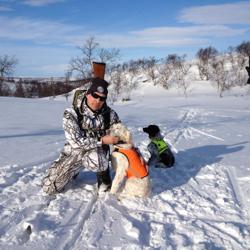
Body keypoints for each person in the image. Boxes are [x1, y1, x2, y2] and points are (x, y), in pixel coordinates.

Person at [42, 77, 120, 195]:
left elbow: (120, 135)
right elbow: (75, 142)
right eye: (95, 95)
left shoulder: (110, 114)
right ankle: (73, 170)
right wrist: (102, 140)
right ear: (88, 94)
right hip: (75, 153)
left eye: (102, 98)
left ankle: (103, 175)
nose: (98, 100)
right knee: (49, 189)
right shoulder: (71, 113)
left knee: (99, 159)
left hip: (98, 155)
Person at [109, 123, 151, 199]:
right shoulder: (127, 149)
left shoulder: (123, 152)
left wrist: (111, 193)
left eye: (117, 128)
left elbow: (119, 176)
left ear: (125, 135)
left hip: (137, 187)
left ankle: (114, 194)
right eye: (114, 127)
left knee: (120, 175)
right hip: (142, 184)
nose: (112, 129)